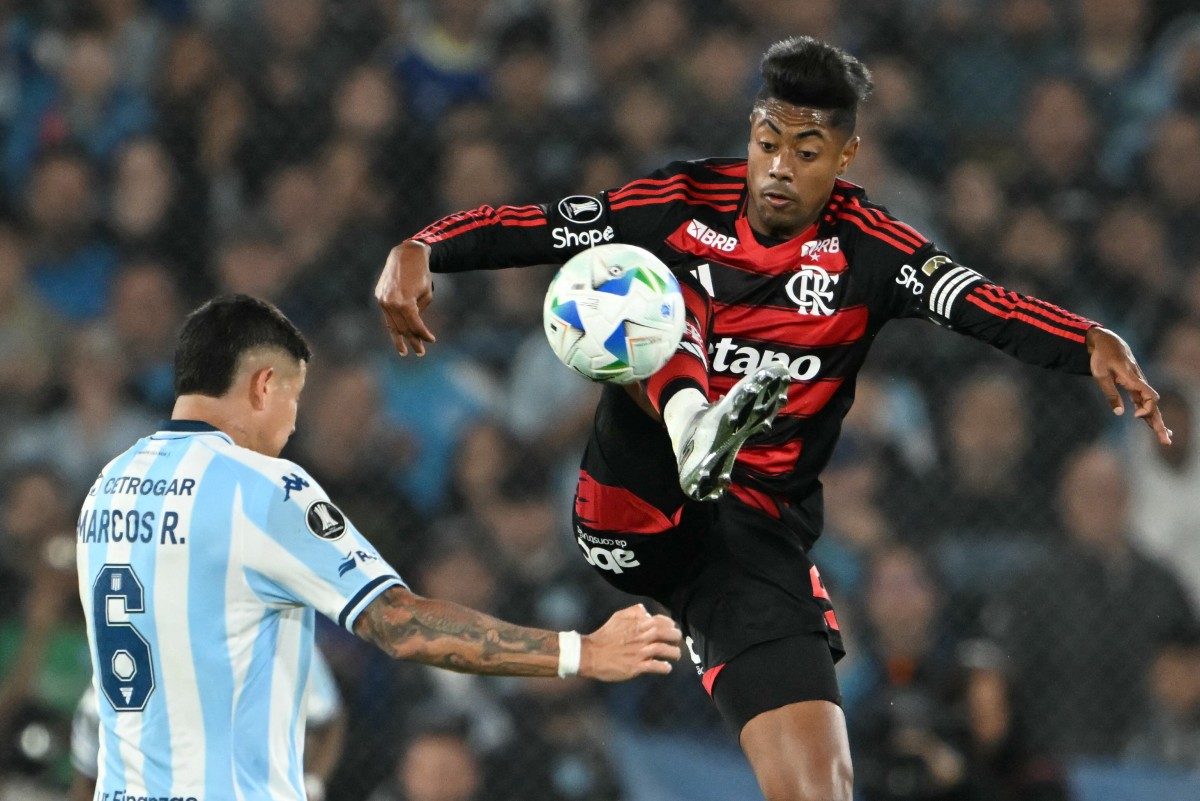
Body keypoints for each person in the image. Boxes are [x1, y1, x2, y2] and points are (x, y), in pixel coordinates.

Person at [375, 36, 1170, 801]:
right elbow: (543, 225)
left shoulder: (871, 248)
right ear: (750, 134)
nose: (781, 167)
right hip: (637, 507)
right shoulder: (681, 201)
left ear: (847, 157)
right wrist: (425, 245)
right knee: (642, 283)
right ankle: (693, 425)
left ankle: (709, 436)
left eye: (809, 148)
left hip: (751, 541)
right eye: (768, 141)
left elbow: (976, 300)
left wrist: (1087, 338)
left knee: (820, 786)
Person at [75, 294, 681, 801]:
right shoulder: (261, 487)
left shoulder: (108, 488)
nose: (292, 427)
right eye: (293, 398)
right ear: (264, 385)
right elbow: (400, 626)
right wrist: (583, 652)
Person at [68, 646, 346, 801]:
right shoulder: (137, 658)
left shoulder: (279, 634)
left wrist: (311, 784)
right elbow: (89, 773)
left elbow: (330, 720)